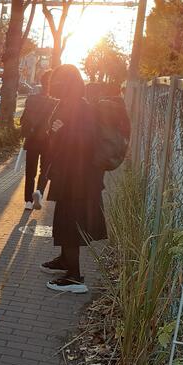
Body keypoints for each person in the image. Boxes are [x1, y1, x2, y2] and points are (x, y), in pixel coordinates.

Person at [41, 64, 107, 294]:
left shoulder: (80, 107)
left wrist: (60, 131)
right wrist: (55, 131)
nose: (54, 84)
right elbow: (56, 135)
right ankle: (64, 261)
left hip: (78, 180)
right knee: (64, 221)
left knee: (70, 224)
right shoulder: (68, 104)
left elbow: (85, 141)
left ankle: (74, 277)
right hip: (70, 176)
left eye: (58, 80)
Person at [19, 70, 57, 210]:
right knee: (45, 170)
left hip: (32, 140)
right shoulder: (55, 102)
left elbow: (23, 120)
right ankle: (39, 192)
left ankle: (28, 202)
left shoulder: (31, 99)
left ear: (42, 82)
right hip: (48, 141)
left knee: (30, 171)